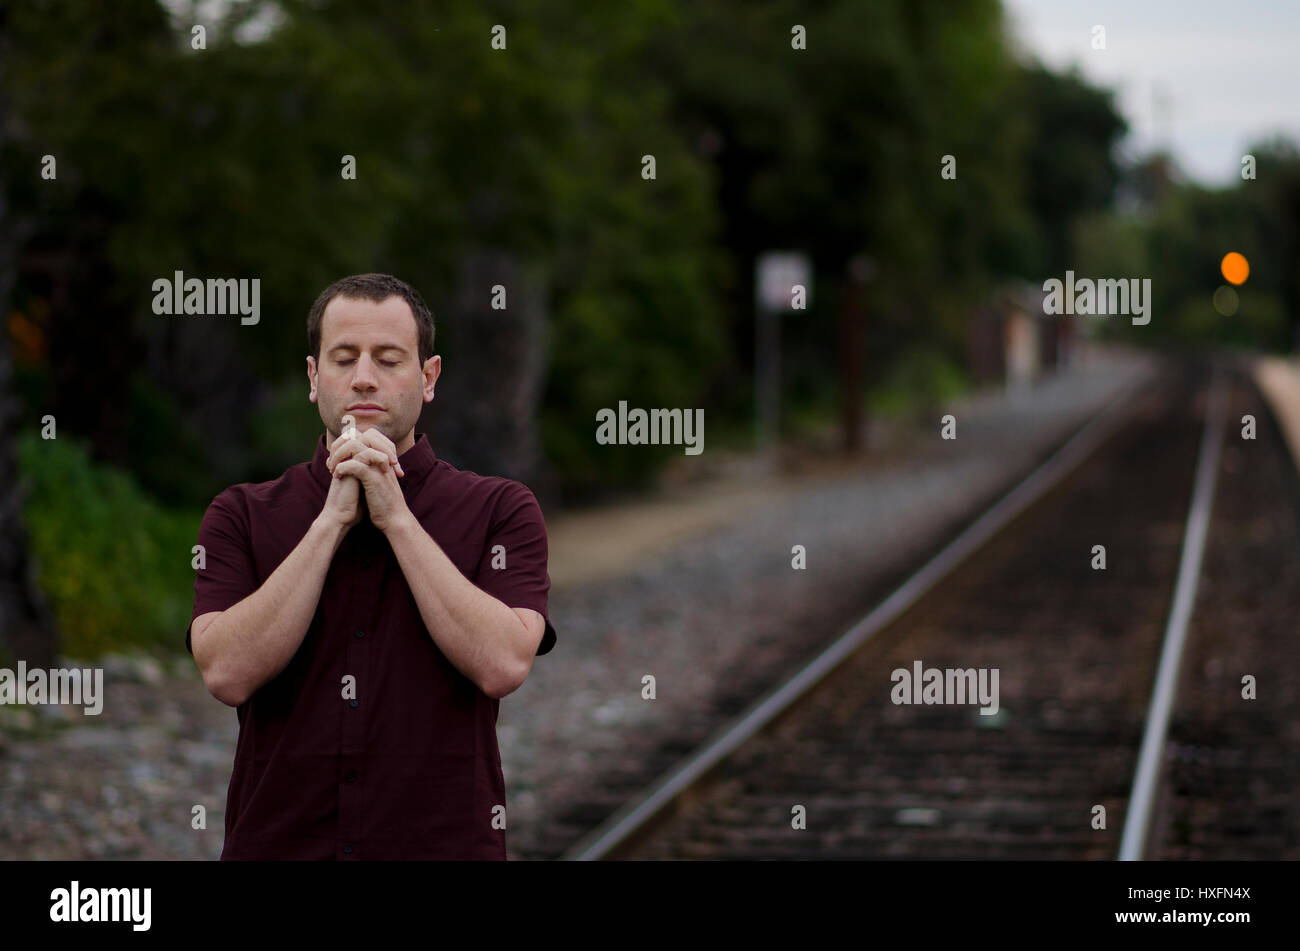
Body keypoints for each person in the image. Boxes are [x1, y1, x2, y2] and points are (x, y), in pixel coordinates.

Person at [186, 273, 556, 860]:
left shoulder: (501, 509)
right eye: (343, 358)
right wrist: (329, 522)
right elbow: (226, 673)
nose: (364, 377)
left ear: (428, 377)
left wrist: (397, 519)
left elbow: (504, 662)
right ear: (314, 378)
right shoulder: (241, 515)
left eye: (388, 359)